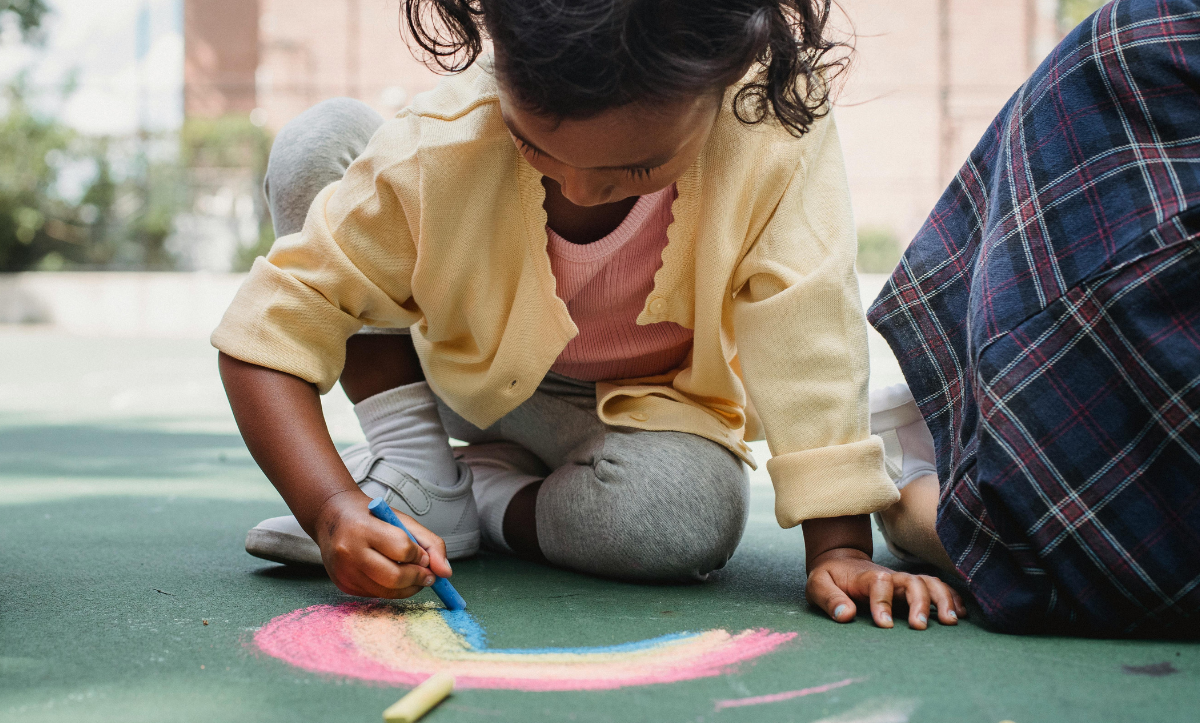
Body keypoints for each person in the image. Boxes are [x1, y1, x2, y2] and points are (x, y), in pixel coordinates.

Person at [213, 0, 966, 629]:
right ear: (500, 64)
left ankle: (467, 496)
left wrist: (841, 550)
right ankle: (412, 462)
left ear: (729, 78)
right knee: (323, 141)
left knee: (684, 520)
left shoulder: (772, 134)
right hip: (445, 363)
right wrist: (332, 507)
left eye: (636, 169)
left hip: (634, 410)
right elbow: (265, 336)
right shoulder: (443, 141)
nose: (580, 187)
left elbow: (811, 337)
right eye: (533, 145)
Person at [867, 0, 1200, 636]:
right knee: (1090, 561)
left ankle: (960, 459)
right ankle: (944, 483)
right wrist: (837, 542)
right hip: (1137, 108)